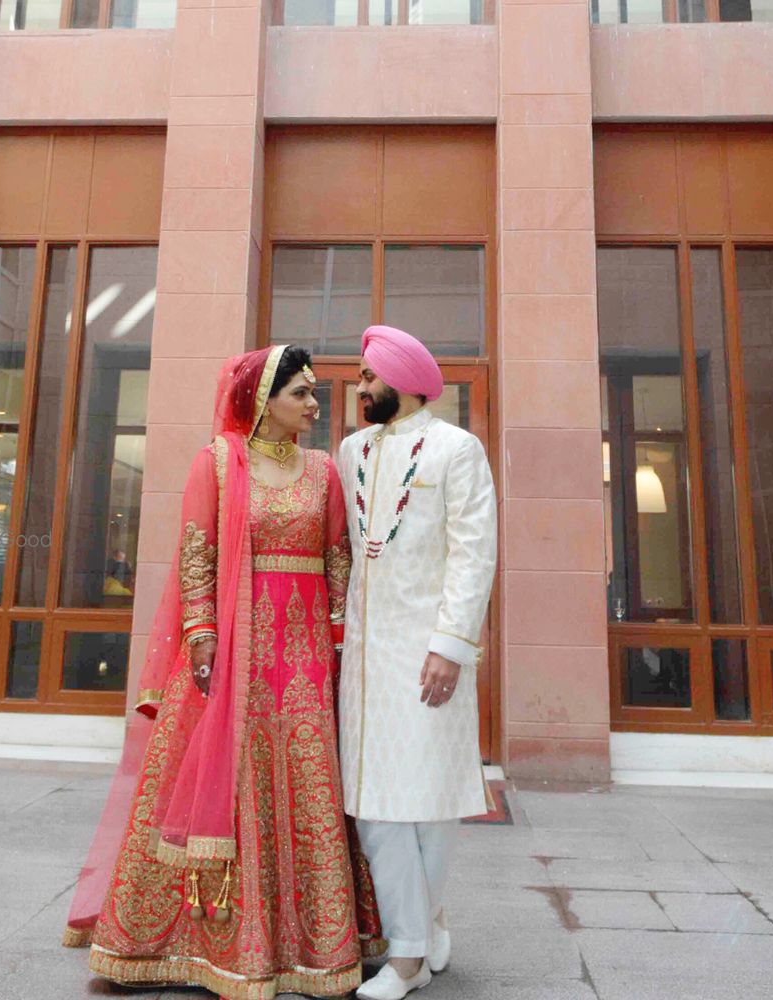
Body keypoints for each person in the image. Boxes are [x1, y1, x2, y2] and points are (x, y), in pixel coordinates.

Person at [63, 345, 381, 999]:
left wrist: (342, 640)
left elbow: (338, 560)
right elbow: (197, 553)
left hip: (303, 655)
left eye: (314, 392)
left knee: (307, 783)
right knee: (219, 781)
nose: (315, 405)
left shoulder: (322, 471)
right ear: (264, 401)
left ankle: (315, 949)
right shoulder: (216, 463)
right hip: (231, 652)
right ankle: (179, 944)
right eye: (302, 393)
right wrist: (202, 635)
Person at [337, 325, 497, 1000]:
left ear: (401, 382)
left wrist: (450, 647)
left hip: (431, 656)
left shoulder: (459, 449)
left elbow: (474, 552)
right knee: (375, 806)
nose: (361, 388)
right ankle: (413, 943)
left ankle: (415, 943)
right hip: (367, 662)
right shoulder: (350, 452)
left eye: (370, 378)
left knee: (430, 804)